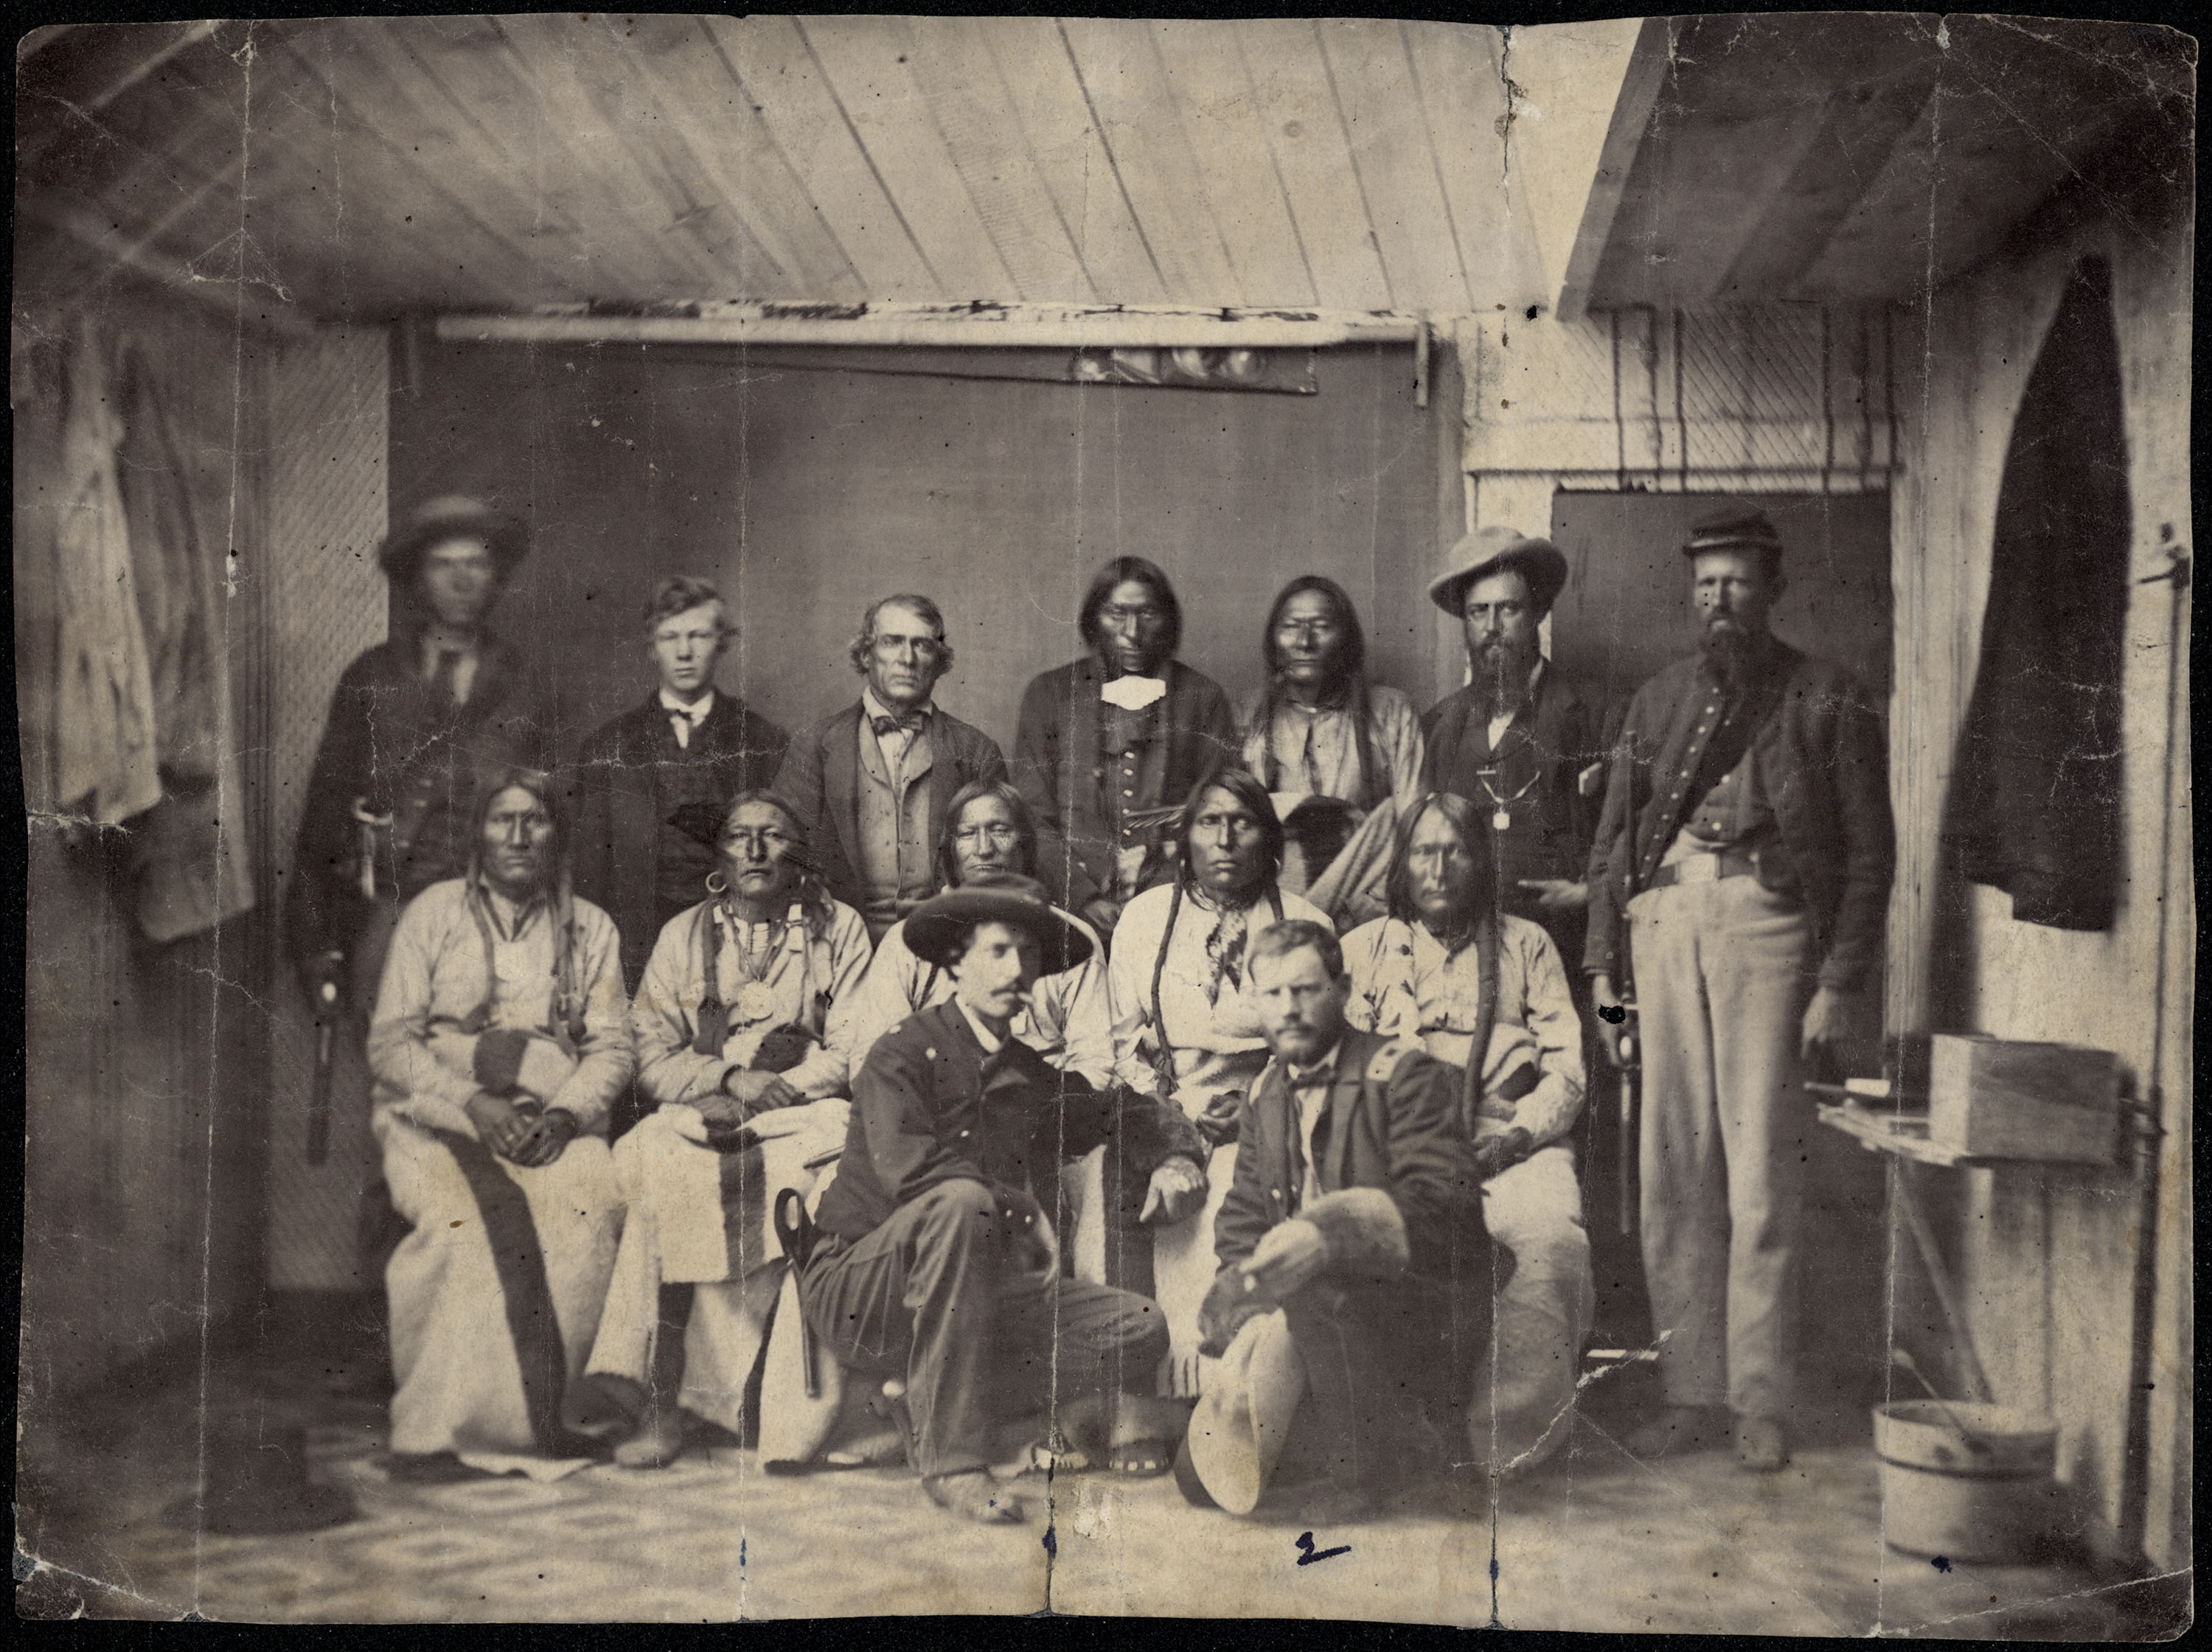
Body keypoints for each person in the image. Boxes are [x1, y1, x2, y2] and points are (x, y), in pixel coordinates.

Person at [1586, 504, 1894, 1472]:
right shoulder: (1659, 699)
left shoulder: (1829, 696)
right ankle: (1692, 1393)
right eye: (1706, 585)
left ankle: (1760, 1399)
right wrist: (1606, 977)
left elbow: (1872, 856)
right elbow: (1613, 849)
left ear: (1773, 589)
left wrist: (1840, 982)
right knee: (1674, 1173)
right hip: (1665, 924)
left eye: (1738, 583)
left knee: (1762, 1173)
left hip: (1770, 926)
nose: (1721, 601)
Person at [799, 882, 1210, 1524]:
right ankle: (953, 1463)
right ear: (956, 962)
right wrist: (1022, 1212)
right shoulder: (901, 1054)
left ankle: (922, 1396)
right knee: (964, 1202)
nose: (1016, 970)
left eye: (1029, 955)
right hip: (860, 1288)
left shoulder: (1027, 1072)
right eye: (997, 951)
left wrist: (1177, 1153)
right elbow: (913, 1178)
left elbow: (1117, 1111)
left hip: (973, 1295)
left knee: (1136, 1326)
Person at [288, 496, 552, 1360]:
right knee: (401, 1117)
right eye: (447, 563)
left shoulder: (523, 677)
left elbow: (551, 810)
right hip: (392, 920)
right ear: (416, 578)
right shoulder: (373, 678)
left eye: (480, 563)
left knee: (495, 1103)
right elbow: (327, 815)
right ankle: (391, 1347)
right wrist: (319, 945)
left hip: (495, 923)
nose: (465, 579)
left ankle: (481, 1349)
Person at [588, 792, 872, 1468]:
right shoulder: (685, 934)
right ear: (719, 854)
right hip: (707, 1105)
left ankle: (769, 1406)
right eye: (739, 836)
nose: (754, 850)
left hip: (804, 1108)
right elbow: (651, 1050)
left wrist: (782, 1088)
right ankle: (665, 1402)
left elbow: (855, 1043)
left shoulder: (843, 929)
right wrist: (726, 1078)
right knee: (657, 1162)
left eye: (772, 836)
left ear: (799, 853)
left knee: (816, 1171)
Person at [364, 767, 633, 1476]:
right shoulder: (434, 912)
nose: (518, 835)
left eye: (535, 820)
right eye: (501, 819)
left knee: (590, 1202)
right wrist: (471, 1105)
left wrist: (568, 1114)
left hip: (552, 1121)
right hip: (436, 1116)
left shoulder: (590, 925)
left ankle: (558, 1416)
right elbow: (391, 1042)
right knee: (463, 1223)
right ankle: (440, 1429)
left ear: (556, 833)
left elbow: (611, 1046)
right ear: (478, 834)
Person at [1178, 920, 1489, 1519]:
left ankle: (1364, 1476)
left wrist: (1331, 1236)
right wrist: (1247, 1298)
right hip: (1314, 1321)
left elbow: (1445, 1208)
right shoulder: (1264, 1092)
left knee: (1318, 1282)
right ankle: (1374, 1443)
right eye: (1273, 994)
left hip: (1419, 1303)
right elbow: (1243, 1216)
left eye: (1306, 990)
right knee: (1201, 1478)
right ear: (1256, 1001)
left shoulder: (1404, 1071)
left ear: (1342, 990)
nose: (1289, 1009)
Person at [1340, 792, 1591, 1474]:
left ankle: (1509, 1445)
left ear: (1483, 860)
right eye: (1424, 850)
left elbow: (1568, 1067)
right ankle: (1399, 1436)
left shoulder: (1527, 944)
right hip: (1401, 1142)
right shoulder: (1362, 949)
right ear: (1403, 862)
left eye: (1457, 850)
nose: (1440, 868)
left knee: (1545, 1236)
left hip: (1511, 1141)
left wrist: (1516, 1138)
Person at [1106, 769, 1332, 1395]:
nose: (1227, 838)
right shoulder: (1145, 919)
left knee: (1256, 1185)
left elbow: (1327, 1049)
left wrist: (1259, 1104)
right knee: (1131, 1178)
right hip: (1165, 1102)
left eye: (1244, 822)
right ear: (1184, 838)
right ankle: (1151, 1391)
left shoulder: (1307, 922)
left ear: (1269, 840)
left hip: (1273, 1101)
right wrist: (1172, 1116)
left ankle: (1246, 1389)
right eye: (1210, 822)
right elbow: (1119, 1046)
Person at [570, 576, 789, 994]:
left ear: (722, 643)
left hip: (738, 935)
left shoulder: (764, 742)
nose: (684, 652)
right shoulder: (607, 746)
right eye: (670, 637)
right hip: (635, 941)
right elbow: (589, 873)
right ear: (651, 647)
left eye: (699, 636)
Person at [1013, 557, 1238, 941]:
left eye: (1147, 614)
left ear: (1168, 620)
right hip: (1070, 905)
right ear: (1093, 619)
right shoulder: (1049, 694)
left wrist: (1160, 893)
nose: (1132, 632)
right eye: (1117, 614)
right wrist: (1081, 898)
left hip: (1177, 900)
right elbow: (1033, 817)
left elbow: (1219, 814)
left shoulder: (1202, 698)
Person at [836, 780, 1113, 1088]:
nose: (984, 849)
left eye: (1000, 831)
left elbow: (1096, 1064)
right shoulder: (906, 941)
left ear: (1025, 845)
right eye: (968, 834)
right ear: (950, 849)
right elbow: (871, 1063)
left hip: (1041, 1109)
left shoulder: (1066, 936)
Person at [1420, 526, 1608, 969]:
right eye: (1477, 612)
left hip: (1565, 945)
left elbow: (1631, 833)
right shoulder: (1440, 725)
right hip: (1463, 949)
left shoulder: (1595, 714)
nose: (1491, 628)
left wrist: (1588, 893)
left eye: (1508, 610)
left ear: (1539, 611)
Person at [775, 593, 1006, 944]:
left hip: (948, 941)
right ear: (867, 654)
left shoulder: (976, 750)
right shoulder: (813, 746)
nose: (907, 659)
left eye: (922, 646)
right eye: (892, 642)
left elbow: (1004, 859)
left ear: (939, 661)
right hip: (840, 943)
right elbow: (784, 850)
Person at [1234, 574, 1425, 924]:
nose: (1305, 642)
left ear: (1346, 640)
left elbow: (1413, 823)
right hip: (1278, 907)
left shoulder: (1392, 712)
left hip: (1370, 901)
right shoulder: (1251, 716)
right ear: (1273, 641)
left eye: (1321, 626)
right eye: (1291, 627)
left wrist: (1375, 901)